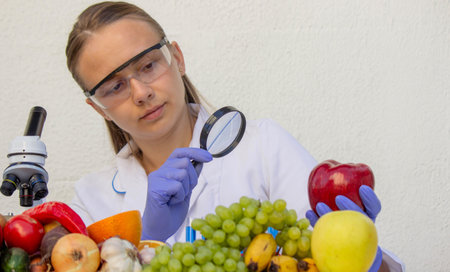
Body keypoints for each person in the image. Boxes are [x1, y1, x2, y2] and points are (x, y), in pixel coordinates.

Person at [66, 2, 403, 271]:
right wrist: (146, 241)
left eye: (149, 65)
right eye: (115, 86)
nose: (140, 92)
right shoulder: (89, 203)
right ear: (99, 109)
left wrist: (365, 257)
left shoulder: (265, 147)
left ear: (177, 58)